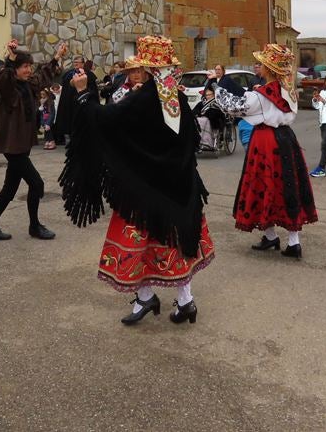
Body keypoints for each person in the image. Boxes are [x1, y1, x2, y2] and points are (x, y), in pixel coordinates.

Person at [60, 37, 214, 325]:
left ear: (149, 67)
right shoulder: (174, 95)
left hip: (147, 188)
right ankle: (184, 301)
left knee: (141, 241)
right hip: (178, 184)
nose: (136, 72)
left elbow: (105, 121)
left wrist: (83, 93)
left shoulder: (145, 98)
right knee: (175, 240)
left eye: (141, 66)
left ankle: (148, 297)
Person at [210, 43, 317, 259]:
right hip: (287, 139)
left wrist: (216, 85)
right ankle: (291, 241)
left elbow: (233, 106)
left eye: (262, 64)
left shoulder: (260, 95)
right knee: (288, 185)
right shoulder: (287, 91)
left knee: (262, 184)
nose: (259, 67)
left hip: (265, 140)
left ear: (268, 69)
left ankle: (270, 235)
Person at [0, 39, 66, 242]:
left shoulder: (28, 84)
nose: (28, 70)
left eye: (29, 66)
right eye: (24, 66)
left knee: (10, 188)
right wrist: (9, 60)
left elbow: (43, 76)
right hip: (13, 145)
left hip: (22, 143)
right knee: (37, 184)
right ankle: (34, 227)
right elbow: (0, 80)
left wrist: (56, 57)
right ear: (15, 69)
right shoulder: (9, 87)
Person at [53, 54, 96, 146]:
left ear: (83, 64)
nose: (75, 64)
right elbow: (65, 89)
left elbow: (93, 90)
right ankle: (70, 141)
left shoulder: (89, 75)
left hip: (83, 102)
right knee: (69, 121)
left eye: (78, 62)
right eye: (74, 62)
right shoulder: (69, 74)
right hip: (69, 103)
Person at [192, 86, 224, 152]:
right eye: (207, 95)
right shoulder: (202, 103)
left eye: (210, 94)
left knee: (204, 121)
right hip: (201, 119)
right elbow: (195, 111)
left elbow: (219, 114)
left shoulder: (217, 103)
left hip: (214, 120)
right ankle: (197, 141)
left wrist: (205, 115)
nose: (208, 96)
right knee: (196, 121)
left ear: (214, 94)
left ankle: (206, 143)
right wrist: (198, 114)